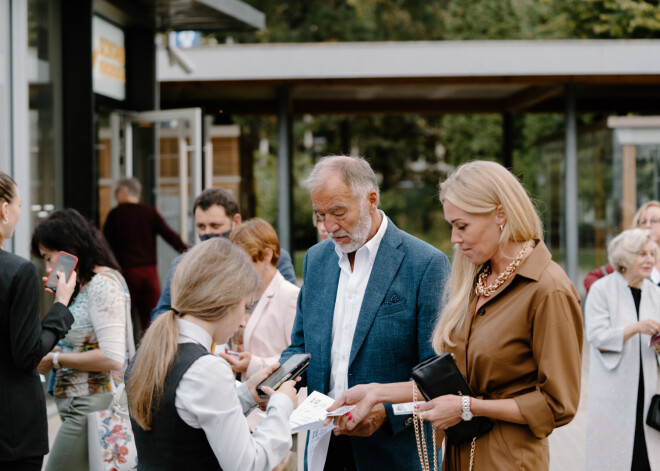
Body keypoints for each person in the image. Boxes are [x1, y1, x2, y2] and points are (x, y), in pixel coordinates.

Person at [327, 160, 584, 471]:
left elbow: (558, 405)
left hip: (510, 462)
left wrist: (468, 407)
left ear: (500, 214)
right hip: (459, 458)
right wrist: (376, 392)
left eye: (462, 226)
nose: (454, 239)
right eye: (451, 226)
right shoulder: (476, 281)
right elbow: (454, 383)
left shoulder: (548, 289)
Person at [279, 155, 451, 470]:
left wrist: (385, 410)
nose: (329, 226)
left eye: (338, 212)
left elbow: (437, 376)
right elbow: (300, 347)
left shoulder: (425, 264)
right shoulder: (316, 260)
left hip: (393, 452)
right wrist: (275, 381)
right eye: (320, 214)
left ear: (371, 200)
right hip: (324, 447)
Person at [125, 237, 297, 470]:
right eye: (244, 307)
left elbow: (187, 419)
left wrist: (246, 394)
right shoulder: (206, 369)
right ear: (226, 301)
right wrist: (282, 405)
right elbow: (248, 464)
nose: (242, 323)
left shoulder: (150, 349)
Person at [32, 209, 133, 471]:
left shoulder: (102, 284)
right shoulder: (87, 285)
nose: (47, 268)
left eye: (50, 258)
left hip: (92, 405)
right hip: (82, 405)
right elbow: (86, 342)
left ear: (69, 251)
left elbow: (112, 357)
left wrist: (54, 359)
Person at [0, 173, 77, 471]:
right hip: (13, 432)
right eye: (19, 204)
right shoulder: (17, 272)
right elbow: (28, 355)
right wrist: (60, 306)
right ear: (5, 209)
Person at [151, 187, 297, 320]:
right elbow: (161, 314)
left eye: (215, 225)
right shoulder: (183, 264)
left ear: (236, 221)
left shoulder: (267, 258)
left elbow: (290, 310)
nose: (207, 232)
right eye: (201, 226)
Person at [585, 228, 660, 470]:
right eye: (641, 254)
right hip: (614, 392)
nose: (649, 259)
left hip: (647, 389)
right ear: (625, 258)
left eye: (652, 253)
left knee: (646, 457)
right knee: (614, 456)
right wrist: (636, 327)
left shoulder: (655, 292)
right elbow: (597, 336)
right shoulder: (601, 290)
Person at [103, 177, 188, 333]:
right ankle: (151, 354)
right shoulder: (149, 212)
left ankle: (122, 354)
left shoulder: (115, 215)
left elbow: (105, 247)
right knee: (151, 321)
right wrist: (189, 252)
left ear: (123, 192)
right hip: (149, 274)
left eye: (116, 192)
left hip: (127, 274)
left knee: (121, 321)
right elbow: (169, 235)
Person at [223, 218, 300, 380]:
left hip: (275, 396)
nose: (236, 267)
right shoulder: (240, 293)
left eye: (242, 260)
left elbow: (297, 357)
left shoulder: (290, 295)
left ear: (267, 255)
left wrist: (253, 364)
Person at [584, 200, 660, 294]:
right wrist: (610, 298)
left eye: (654, 220)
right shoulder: (630, 256)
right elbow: (591, 279)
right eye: (643, 221)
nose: (648, 225)